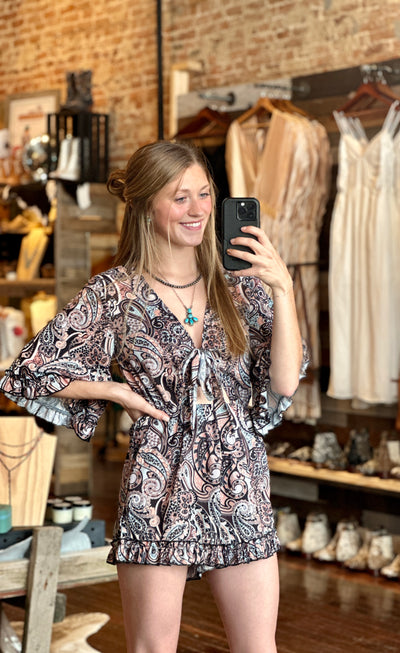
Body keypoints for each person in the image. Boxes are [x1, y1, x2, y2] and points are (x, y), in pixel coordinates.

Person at [0, 140, 306, 653]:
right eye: (180, 197)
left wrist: (283, 289)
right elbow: (27, 371)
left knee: (259, 648)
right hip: (155, 483)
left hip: (241, 483)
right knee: (151, 647)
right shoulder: (114, 292)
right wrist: (114, 389)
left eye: (205, 195)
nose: (199, 210)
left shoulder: (244, 285)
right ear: (145, 204)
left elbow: (285, 383)